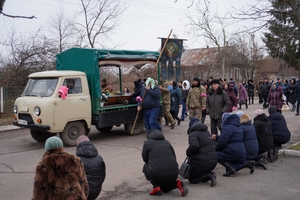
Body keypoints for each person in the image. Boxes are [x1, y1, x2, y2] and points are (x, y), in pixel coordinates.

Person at [142, 129, 189, 196]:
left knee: (146, 166)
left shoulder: (147, 143)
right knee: (165, 189)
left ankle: (156, 187)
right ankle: (177, 183)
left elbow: (145, 159)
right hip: (174, 173)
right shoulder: (167, 142)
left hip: (157, 174)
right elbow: (174, 157)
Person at [186, 118, 217, 186]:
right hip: (213, 161)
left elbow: (194, 146)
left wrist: (188, 153)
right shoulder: (207, 132)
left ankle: (209, 175)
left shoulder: (193, 134)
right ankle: (208, 174)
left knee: (192, 180)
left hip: (202, 162)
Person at [76, 135, 106, 200]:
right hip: (97, 190)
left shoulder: (77, 160)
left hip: (83, 192)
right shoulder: (99, 158)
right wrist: (97, 185)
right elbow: (103, 175)